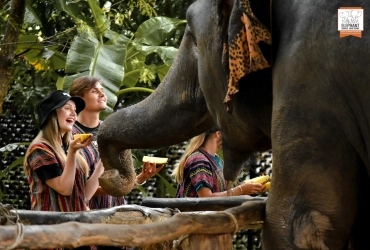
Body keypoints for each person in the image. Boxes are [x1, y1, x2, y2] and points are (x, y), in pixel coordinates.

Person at [69, 75, 164, 210]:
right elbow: (71, 188)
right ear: (79, 99)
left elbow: (120, 183)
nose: (102, 94)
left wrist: (141, 177)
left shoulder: (113, 133)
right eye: (94, 91)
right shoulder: (69, 135)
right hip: (84, 216)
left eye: (102, 90)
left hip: (115, 212)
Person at [24, 90, 104, 212]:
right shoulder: (39, 149)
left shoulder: (68, 146)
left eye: (75, 110)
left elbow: (85, 195)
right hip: (50, 226)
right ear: (52, 114)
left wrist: (104, 158)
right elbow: (65, 189)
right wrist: (72, 152)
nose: (74, 114)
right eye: (67, 108)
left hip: (74, 225)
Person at [172, 126, 263, 197]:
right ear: (218, 134)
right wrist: (240, 190)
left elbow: (223, 194)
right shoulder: (199, 160)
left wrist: (249, 189)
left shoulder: (216, 159)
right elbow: (206, 198)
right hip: (192, 219)